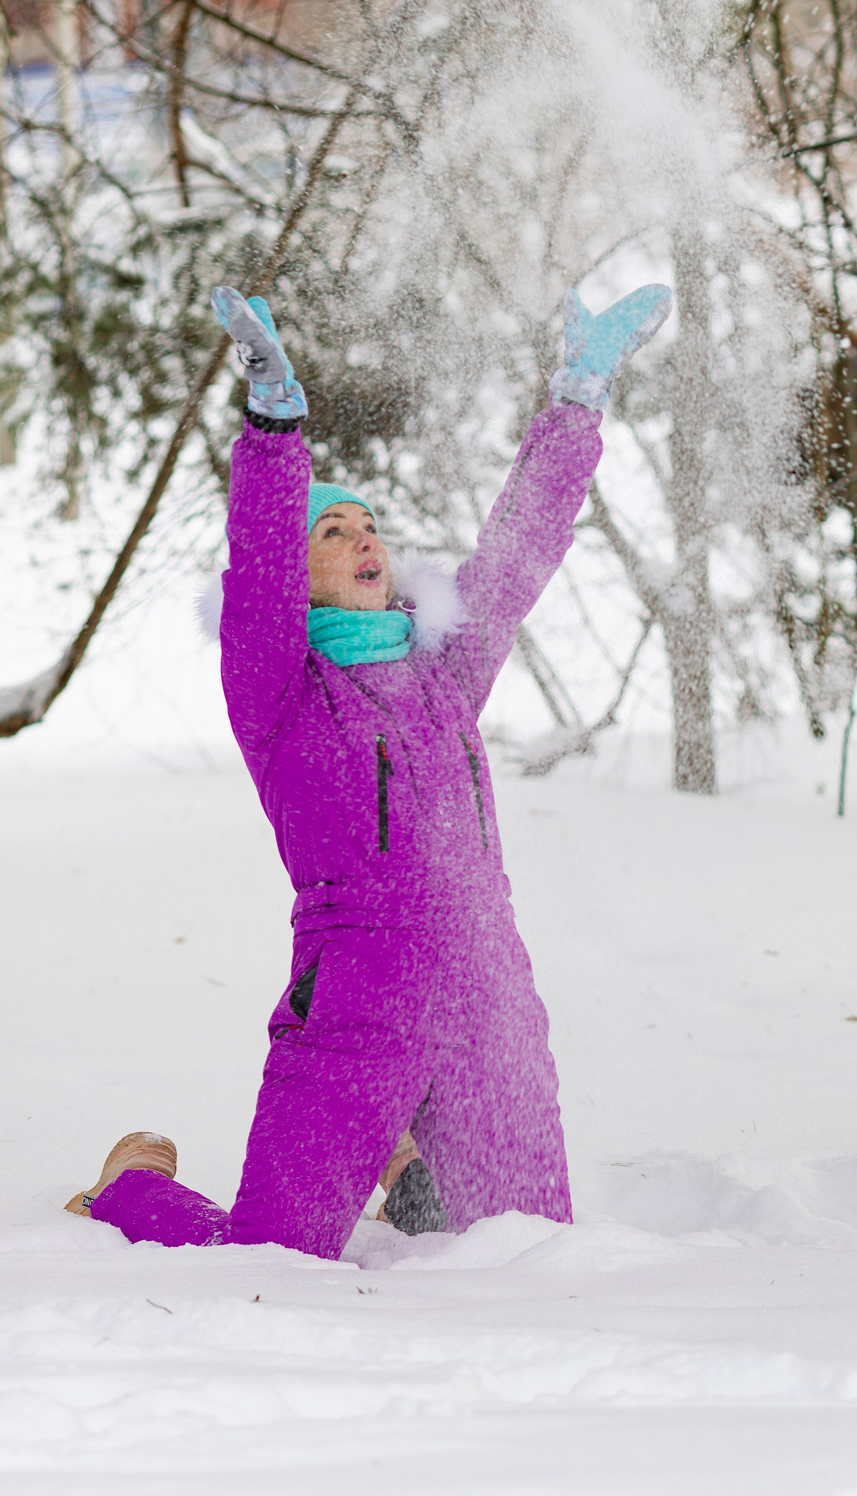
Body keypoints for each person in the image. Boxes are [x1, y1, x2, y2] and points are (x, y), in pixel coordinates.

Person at [62, 280, 672, 1258]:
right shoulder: (281, 695)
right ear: (298, 575)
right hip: (356, 1001)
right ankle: (131, 1188)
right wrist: (273, 429)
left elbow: (518, 555)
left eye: (369, 526)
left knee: (530, 1245)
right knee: (271, 1257)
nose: (363, 541)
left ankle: (405, 1171)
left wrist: (577, 401)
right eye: (332, 531)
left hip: (486, 989)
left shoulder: (443, 669)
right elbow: (256, 583)